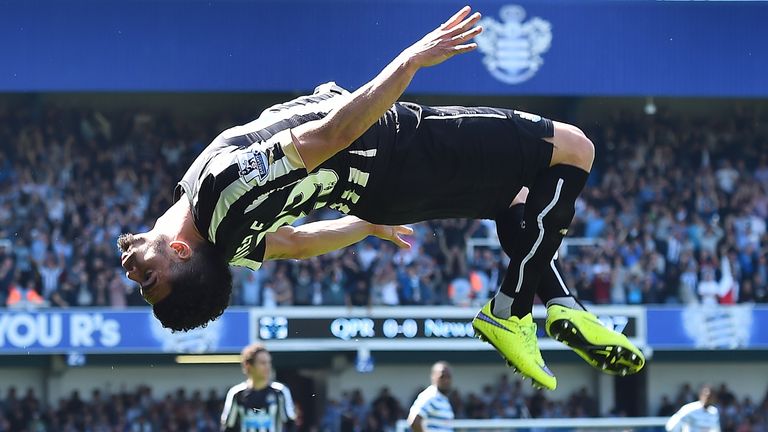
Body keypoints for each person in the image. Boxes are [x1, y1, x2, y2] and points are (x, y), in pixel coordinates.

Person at [118, 6, 643, 389]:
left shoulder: (223, 244)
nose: (132, 270)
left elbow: (297, 243)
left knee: (516, 197)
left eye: (140, 284)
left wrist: (366, 226)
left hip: (384, 196)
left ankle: (559, 303)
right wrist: (411, 60)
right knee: (574, 148)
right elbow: (331, 135)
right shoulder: (221, 189)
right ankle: (512, 308)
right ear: (180, 253)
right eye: (149, 279)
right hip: (397, 147)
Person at [221, 343, 296, 432]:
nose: (267, 367)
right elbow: (228, 427)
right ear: (249, 366)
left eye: (269, 362)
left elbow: (290, 425)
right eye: (262, 363)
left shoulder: (280, 391)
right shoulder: (237, 393)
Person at [408, 361, 455, 432]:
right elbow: (414, 421)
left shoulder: (443, 399)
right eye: (442, 377)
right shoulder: (430, 396)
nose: (446, 380)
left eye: (448, 377)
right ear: (433, 377)